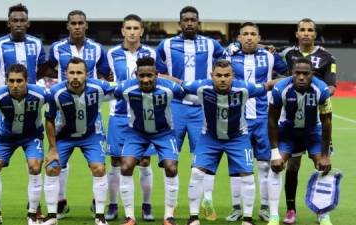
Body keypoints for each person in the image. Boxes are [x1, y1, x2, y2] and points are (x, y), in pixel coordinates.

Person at [178, 59, 278, 225]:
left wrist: (290, 79)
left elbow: (267, 85)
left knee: (247, 175)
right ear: (212, 76)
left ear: (233, 76)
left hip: (238, 138)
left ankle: (247, 219)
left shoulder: (245, 88)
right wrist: (158, 76)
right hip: (209, 137)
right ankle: (193, 218)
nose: (222, 79)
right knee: (196, 173)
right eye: (218, 75)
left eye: (226, 75)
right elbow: (180, 83)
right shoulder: (201, 86)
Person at [155, 6, 224, 221]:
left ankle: (207, 201)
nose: (190, 23)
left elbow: (226, 64)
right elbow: (157, 72)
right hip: (174, 107)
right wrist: (173, 80)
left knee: (204, 157)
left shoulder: (212, 45)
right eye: (186, 20)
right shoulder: (166, 44)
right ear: (180, 23)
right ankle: (171, 206)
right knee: (170, 158)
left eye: (193, 20)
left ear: (199, 22)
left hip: (203, 108)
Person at [0, 3, 47, 221]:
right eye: (15, 20)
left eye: (22, 20)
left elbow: (41, 70)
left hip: (31, 106)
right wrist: (2, 96)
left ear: (27, 23)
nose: (19, 24)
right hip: (5, 107)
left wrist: (31, 92)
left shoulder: (37, 44)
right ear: (8, 23)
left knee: (35, 164)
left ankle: (34, 207)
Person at [47, 10, 110, 219]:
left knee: (98, 166)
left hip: (90, 110)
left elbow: (105, 74)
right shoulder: (56, 48)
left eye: (80, 23)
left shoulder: (97, 49)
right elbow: (48, 70)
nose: (76, 26)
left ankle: (99, 207)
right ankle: (59, 202)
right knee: (57, 163)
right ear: (67, 26)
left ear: (86, 25)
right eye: (73, 23)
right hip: (64, 111)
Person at [222, 22, 287, 222]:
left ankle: (265, 207)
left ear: (259, 38)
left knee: (265, 165)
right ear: (239, 38)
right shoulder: (230, 56)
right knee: (236, 165)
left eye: (253, 34)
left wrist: (272, 83)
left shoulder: (269, 56)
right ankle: (236, 207)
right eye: (245, 34)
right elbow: (218, 72)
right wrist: (226, 52)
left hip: (263, 117)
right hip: (236, 117)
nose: (249, 37)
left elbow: (287, 73)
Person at [278, 18, 337, 225]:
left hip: (316, 119)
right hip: (292, 121)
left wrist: (316, 96)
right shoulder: (286, 54)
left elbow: (331, 87)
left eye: (309, 30)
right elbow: (278, 77)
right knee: (292, 166)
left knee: (323, 164)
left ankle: (322, 211)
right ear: (296, 33)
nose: (305, 33)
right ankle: (290, 210)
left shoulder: (327, 57)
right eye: (302, 30)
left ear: (315, 34)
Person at [42, 57, 114, 225]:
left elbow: (121, 88)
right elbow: (49, 120)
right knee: (52, 169)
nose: (75, 76)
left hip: (91, 136)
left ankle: (100, 215)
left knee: (99, 168)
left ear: (87, 74)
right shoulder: (55, 93)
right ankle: (52, 215)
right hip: (64, 136)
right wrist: (52, 149)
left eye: (79, 73)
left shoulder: (98, 87)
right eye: (71, 73)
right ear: (65, 74)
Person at [114, 56, 185, 225]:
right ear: (136, 75)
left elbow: (185, 90)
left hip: (164, 132)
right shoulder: (125, 89)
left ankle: (169, 216)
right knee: (126, 165)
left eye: (150, 75)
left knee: (171, 167)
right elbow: (108, 92)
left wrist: (170, 78)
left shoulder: (169, 88)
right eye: (141, 76)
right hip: (136, 133)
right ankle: (130, 216)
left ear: (156, 75)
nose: (145, 79)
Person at [267, 58, 333, 225]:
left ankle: (322, 212)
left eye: (306, 73)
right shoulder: (280, 89)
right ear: (291, 74)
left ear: (312, 74)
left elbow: (327, 122)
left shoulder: (321, 89)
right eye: (298, 73)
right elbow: (272, 121)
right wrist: (275, 153)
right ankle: (282, 213)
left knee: (323, 166)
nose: (301, 77)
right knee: (278, 166)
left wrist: (325, 155)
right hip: (289, 131)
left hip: (313, 131)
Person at [0, 64, 46, 225]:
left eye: (19, 81)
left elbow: (56, 109)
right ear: (6, 81)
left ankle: (33, 213)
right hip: (6, 137)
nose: (15, 85)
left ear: (27, 81)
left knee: (35, 166)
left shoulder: (41, 94)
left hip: (32, 136)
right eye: (11, 81)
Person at [105, 14, 156, 221]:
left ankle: (147, 205)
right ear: (122, 31)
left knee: (144, 161)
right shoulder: (112, 54)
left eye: (136, 28)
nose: (132, 31)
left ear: (142, 31)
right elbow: (105, 77)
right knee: (116, 162)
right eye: (129, 28)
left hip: (145, 115)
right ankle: (113, 205)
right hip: (118, 113)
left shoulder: (151, 53)